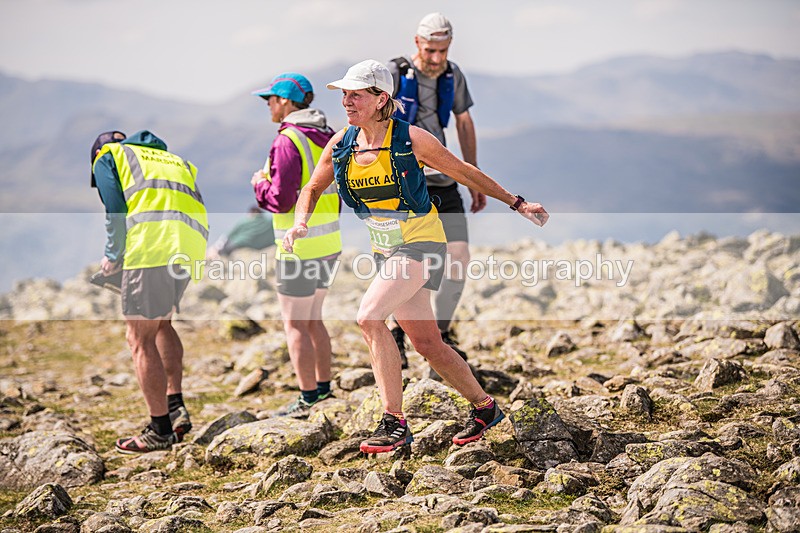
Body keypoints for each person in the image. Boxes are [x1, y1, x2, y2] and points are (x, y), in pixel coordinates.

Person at [282, 60, 549, 453]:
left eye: (355, 94)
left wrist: (517, 203)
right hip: (385, 251)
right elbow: (312, 188)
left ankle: (394, 422)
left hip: (423, 244)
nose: (346, 101)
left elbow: (465, 172)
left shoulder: (412, 139)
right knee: (427, 343)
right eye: (344, 93)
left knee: (369, 317)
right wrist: (300, 223)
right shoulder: (342, 143)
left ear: (380, 99)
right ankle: (486, 408)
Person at [90, 130, 208, 453]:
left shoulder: (108, 157)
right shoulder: (171, 159)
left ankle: (159, 430)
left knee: (138, 338)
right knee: (162, 324)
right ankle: (174, 406)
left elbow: (115, 207)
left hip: (152, 246)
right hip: (188, 244)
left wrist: (114, 257)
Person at [387, 12, 482, 367]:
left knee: (458, 258)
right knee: (409, 263)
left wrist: (472, 177)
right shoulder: (395, 74)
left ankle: (441, 332)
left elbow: (464, 120)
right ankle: (400, 331)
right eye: (430, 51)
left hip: (443, 182)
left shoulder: (453, 75)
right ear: (417, 44)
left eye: (442, 51)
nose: (436, 58)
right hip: (404, 185)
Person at [250, 73, 341, 418]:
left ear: (286, 102)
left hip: (297, 247)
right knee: (314, 319)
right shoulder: (329, 136)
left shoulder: (288, 140)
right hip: (329, 242)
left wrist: (260, 184)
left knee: (295, 324)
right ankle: (323, 389)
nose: (269, 105)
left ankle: (306, 398)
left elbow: (282, 199)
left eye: (271, 99)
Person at [207, 206, 275, 260]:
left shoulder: (247, 221)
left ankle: (213, 256)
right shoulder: (269, 223)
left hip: (239, 244)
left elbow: (228, 235)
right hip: (262, 247)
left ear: (251, 213)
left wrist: (215, 247)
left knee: (223, 248)